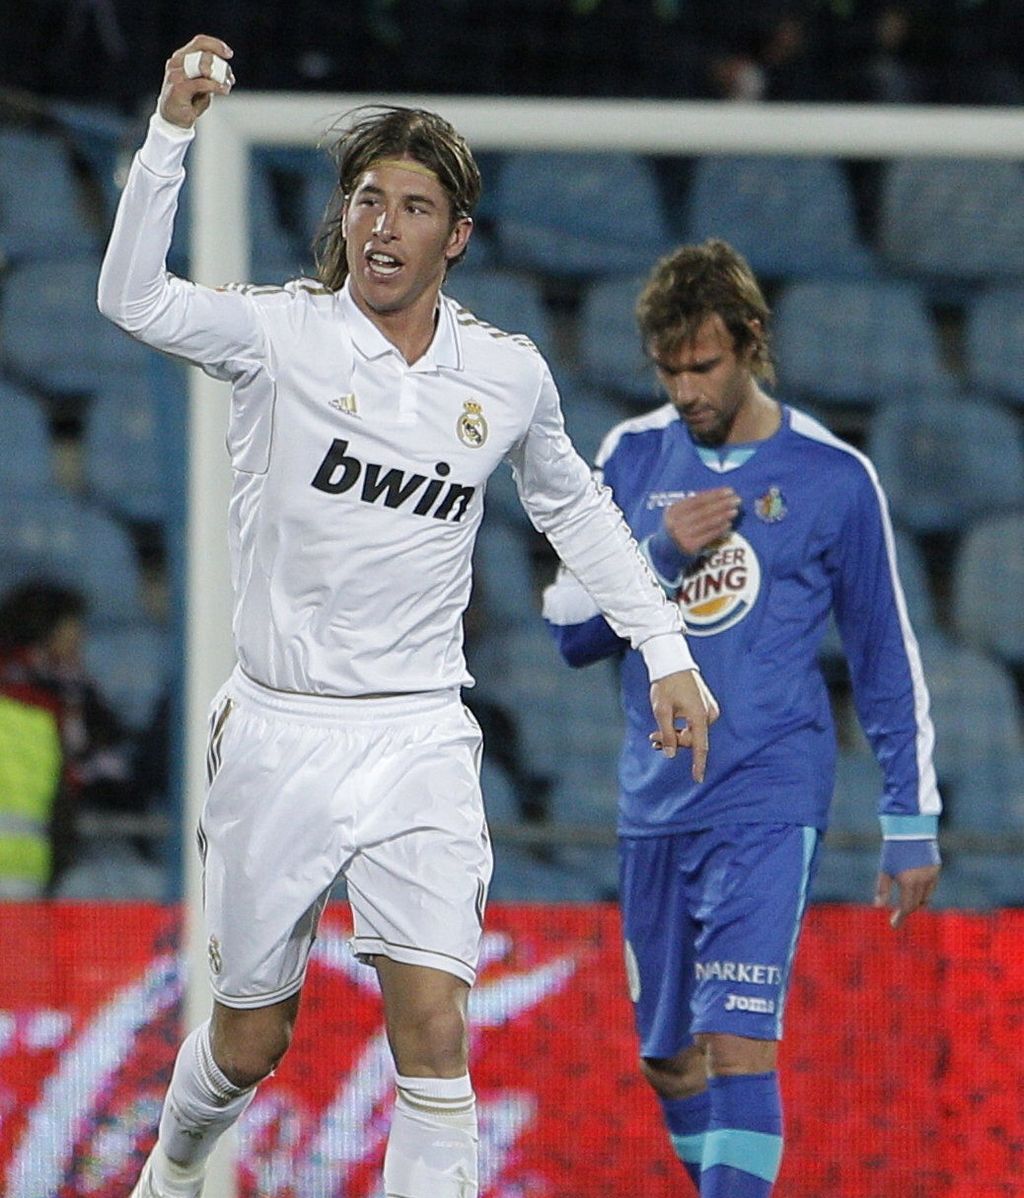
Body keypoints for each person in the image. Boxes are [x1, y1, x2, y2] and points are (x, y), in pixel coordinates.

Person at [97, 34, 718, 1198]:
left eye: (413, 206)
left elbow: (575, 510)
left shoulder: (505, 374)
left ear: (455, 236)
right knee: (250, 1041)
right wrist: (171, 134)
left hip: (420, 734)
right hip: (280, 731)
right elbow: (129, 297)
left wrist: (666, 646)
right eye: (367, 200)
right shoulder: (280, 335)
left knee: (434, 1034)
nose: (383, 225)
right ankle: (173, 1169)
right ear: (344, 218)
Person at [542, 238, 941, 1196]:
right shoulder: (632, 457)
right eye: (668, 369)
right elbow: (569, 634)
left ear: (752, 342)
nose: (686, 389)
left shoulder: (833, 476)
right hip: (656, 801)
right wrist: (654, 551)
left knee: (738, 1042)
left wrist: (908, 814)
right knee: (670, 1061)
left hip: (770, 793)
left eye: (704, 365)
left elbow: (883, 654)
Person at [0, 580, 135, 897]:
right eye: (72, 626)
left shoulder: (75, 685)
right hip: (36, 848)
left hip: (45, 847)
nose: (80, 636)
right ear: (46, 628)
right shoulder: (23, 687)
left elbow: (105, 739)